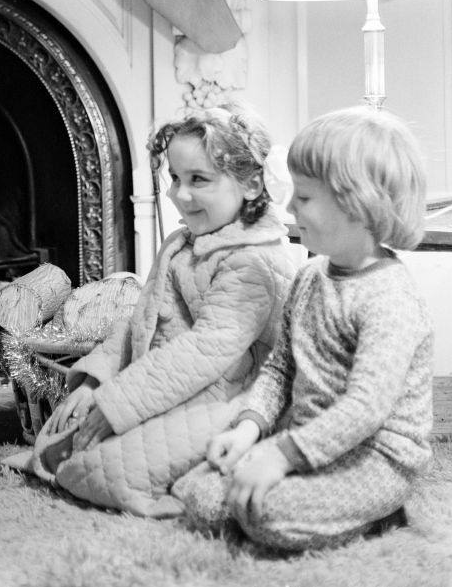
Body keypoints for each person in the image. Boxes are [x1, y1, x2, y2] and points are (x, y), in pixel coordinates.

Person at [6, 102, 300, 517]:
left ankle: (212, 485)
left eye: (199, 180)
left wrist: (118, 405)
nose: (180, 195)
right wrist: (97, 383)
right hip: (162, 384)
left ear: (251, 185)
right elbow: (138, 319)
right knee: (62, 440)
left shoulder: (254, 262)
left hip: (234, 398)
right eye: (175, 178)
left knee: (100, 469)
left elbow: (201, 352)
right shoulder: (182, 243)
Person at [173, 106, 434, 552]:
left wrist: (279, 455)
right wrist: (249, 430)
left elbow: (364, 410)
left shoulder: (389, 298)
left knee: (263, 515)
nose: (289, 206)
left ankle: (376, 512)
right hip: (307, 438)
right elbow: (279, 370)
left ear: (359, 206)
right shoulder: (311, 276)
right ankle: (315, 507)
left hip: (375, 458)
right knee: (200, 496)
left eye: (305, 198)